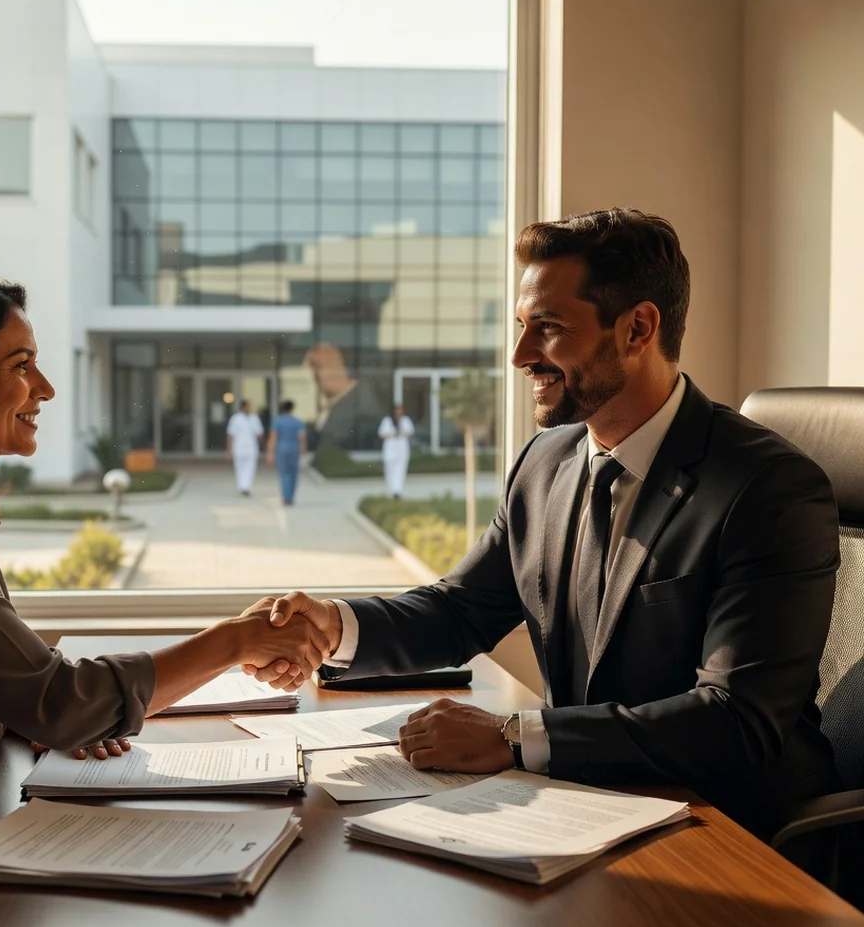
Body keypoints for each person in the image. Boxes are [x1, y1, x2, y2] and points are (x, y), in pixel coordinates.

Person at [245, 208, 840, 830]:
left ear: (638, 328)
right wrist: (331, 627)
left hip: (730, 826)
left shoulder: (767, 488)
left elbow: (735, 721)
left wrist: (513, 735)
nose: (519, 355)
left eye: (547, 328)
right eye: (521, 327)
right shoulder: (545, 462)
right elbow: (462, 608)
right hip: (585, 805)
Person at [0, 270, 328, 870]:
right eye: (20, 366)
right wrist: (236, 641)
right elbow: (58, 702)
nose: (43, 388)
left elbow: (19, 685)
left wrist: (46, 713)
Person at [267, 400, 308, 506]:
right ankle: (291, 496)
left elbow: (273, 438)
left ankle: (286, 497)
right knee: (294, 474)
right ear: (292, 409)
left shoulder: (277, 421)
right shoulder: (298, 422)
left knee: (284, 474)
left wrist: (270, 453)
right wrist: (303, 453)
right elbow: (302, 438)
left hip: (282, 450)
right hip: (295, 450)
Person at [226, 399, 264, 496]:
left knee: (250, 468)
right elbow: (230, 434)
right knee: (239, 468)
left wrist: (263, 444)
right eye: (248, 406)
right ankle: (241, 487)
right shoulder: (235, 418)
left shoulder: (254, 418)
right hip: (238, 447)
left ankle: (246, 487)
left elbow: (259, 433)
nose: (249, 408)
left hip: (251, 447)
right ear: (243, 407)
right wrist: (229, 449)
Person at [378, 403, 416, 498]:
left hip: (402, 449)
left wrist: (402, 432)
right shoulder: (387, 421)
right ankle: (391, 490)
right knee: (390, 470)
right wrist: (392, 434)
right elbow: (381, 433)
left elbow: (411, 431)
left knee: (400, 470)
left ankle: (398, 491)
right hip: (390, 449)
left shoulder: (405, 420)